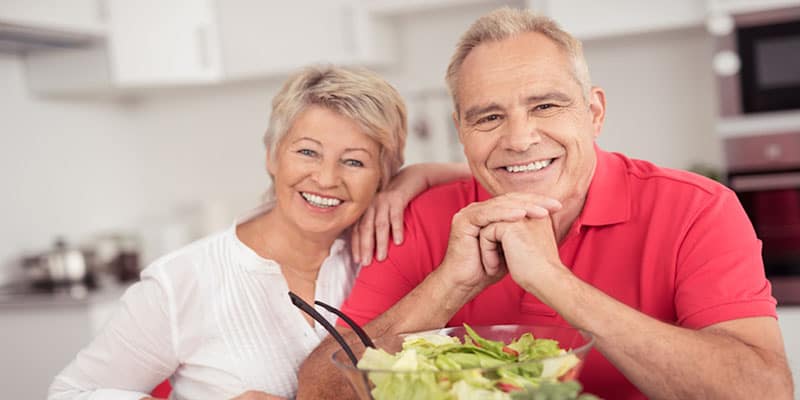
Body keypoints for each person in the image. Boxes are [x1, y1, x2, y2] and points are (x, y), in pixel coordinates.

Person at [296, 8, 794, 400]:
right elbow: (319, 393)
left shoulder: (698, 210)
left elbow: (762, 393)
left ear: (593, 112)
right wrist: (452, 281)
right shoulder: (420, 219)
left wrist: (555, 283)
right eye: (488, 117)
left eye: (546, 106)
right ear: (461, 133)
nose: (519, 138)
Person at [48, 65, 470, 400]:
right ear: (272, 155)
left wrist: (421, 173)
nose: (325, 178)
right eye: (307, 152)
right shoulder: (181, 281)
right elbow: (70, 393)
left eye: (354, 162)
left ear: (384, 175)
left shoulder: (385, 249)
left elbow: (504, 176)